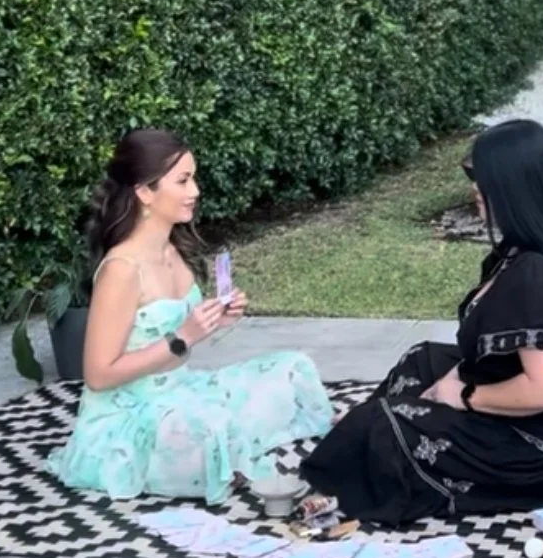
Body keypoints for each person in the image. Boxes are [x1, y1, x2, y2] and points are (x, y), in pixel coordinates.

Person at [300, 118, 543, 527]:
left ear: (513, 188)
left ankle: (365, 437)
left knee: (386, 424)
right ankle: (365, 431)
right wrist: (450, 383)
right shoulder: (522, 249)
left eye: (483, 179)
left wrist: (464, 396)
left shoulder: (539, 274)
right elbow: (486, 351)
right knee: (422, 360)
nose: (475, 189)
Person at [44, 128, 334, 504]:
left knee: (293, 370)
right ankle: (213, 452)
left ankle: (227, 444)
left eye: (192, 177)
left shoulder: (170, 249)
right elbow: (98, 376)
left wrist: (214, 321)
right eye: (182, 181)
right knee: (213, 430)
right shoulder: (122, 269)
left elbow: (177, 345)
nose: (195, 190)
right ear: (145, 192)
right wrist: (182, 337)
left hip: (184, 390)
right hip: (131, 417)